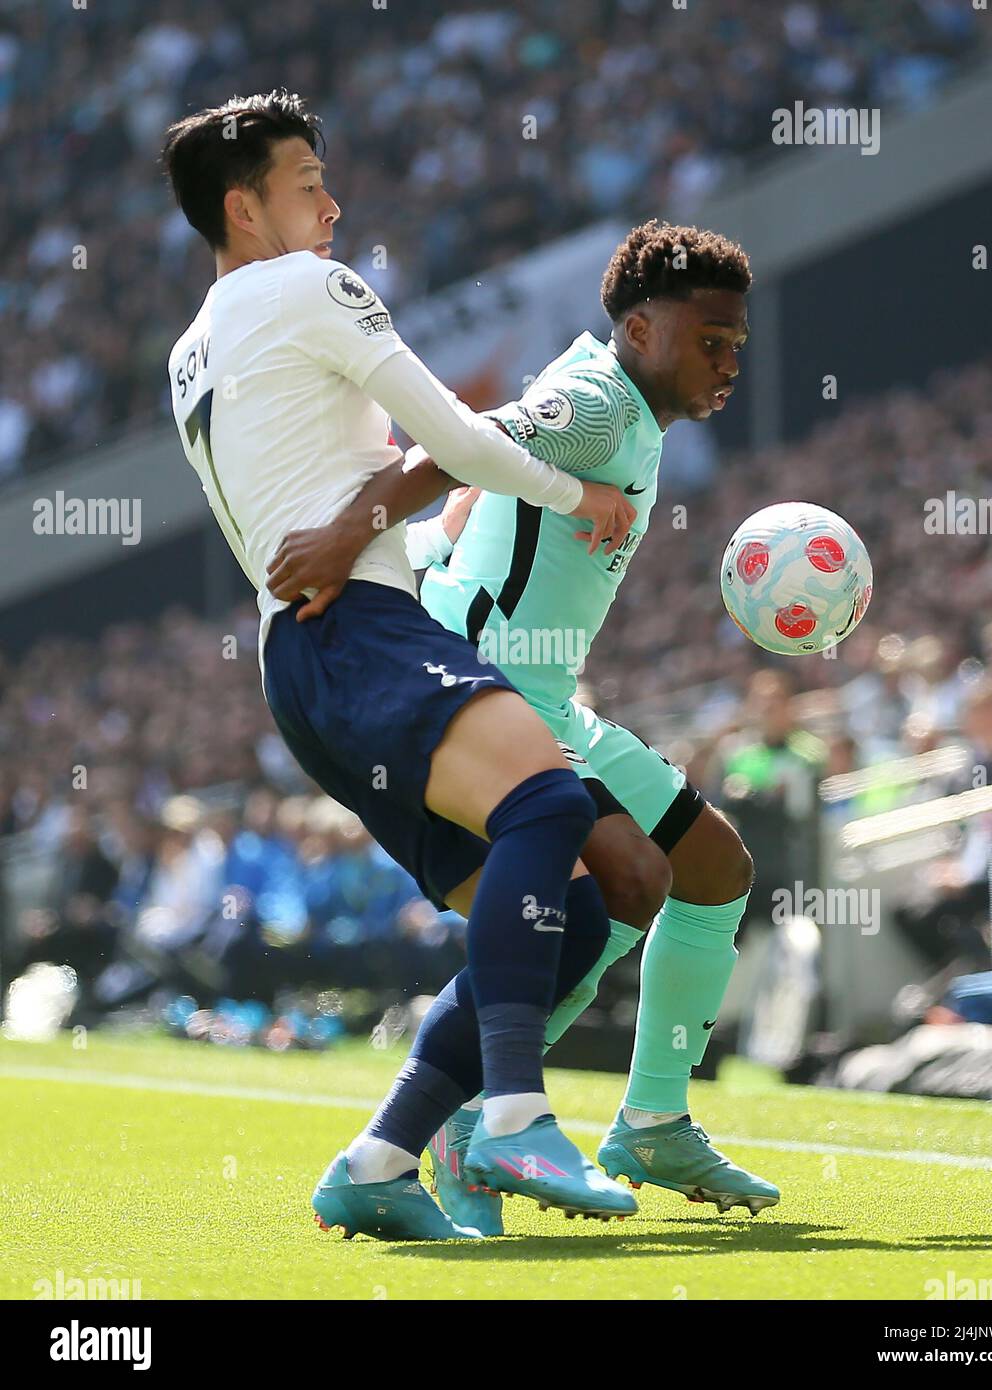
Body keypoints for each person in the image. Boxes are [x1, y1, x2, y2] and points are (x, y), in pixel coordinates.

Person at [162, 89, 641, 1240]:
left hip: (305, 669)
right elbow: (463, 437)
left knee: (560, 913)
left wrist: (396, 515)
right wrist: (591, 497)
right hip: (363, 635)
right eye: (309, 184)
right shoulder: (307, 287)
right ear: (245, 206)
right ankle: (518, 1114)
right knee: (549, 799)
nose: (334, 205)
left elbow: (360, 496)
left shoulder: (192, 351)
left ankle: (380, 1158)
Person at [267, 220, 780, 1231]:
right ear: (640, 327)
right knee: (620, 887)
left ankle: (652, 1118)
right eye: (708, 339)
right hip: (492, 693)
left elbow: (472, 496)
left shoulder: (619, 405)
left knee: (712, 867)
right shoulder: (595, 401)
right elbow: (456, 450)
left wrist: (429, 543)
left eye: (736, 345)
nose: (725, 362)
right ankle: (472, 1122)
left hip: (554, 700)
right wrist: (344, 540)